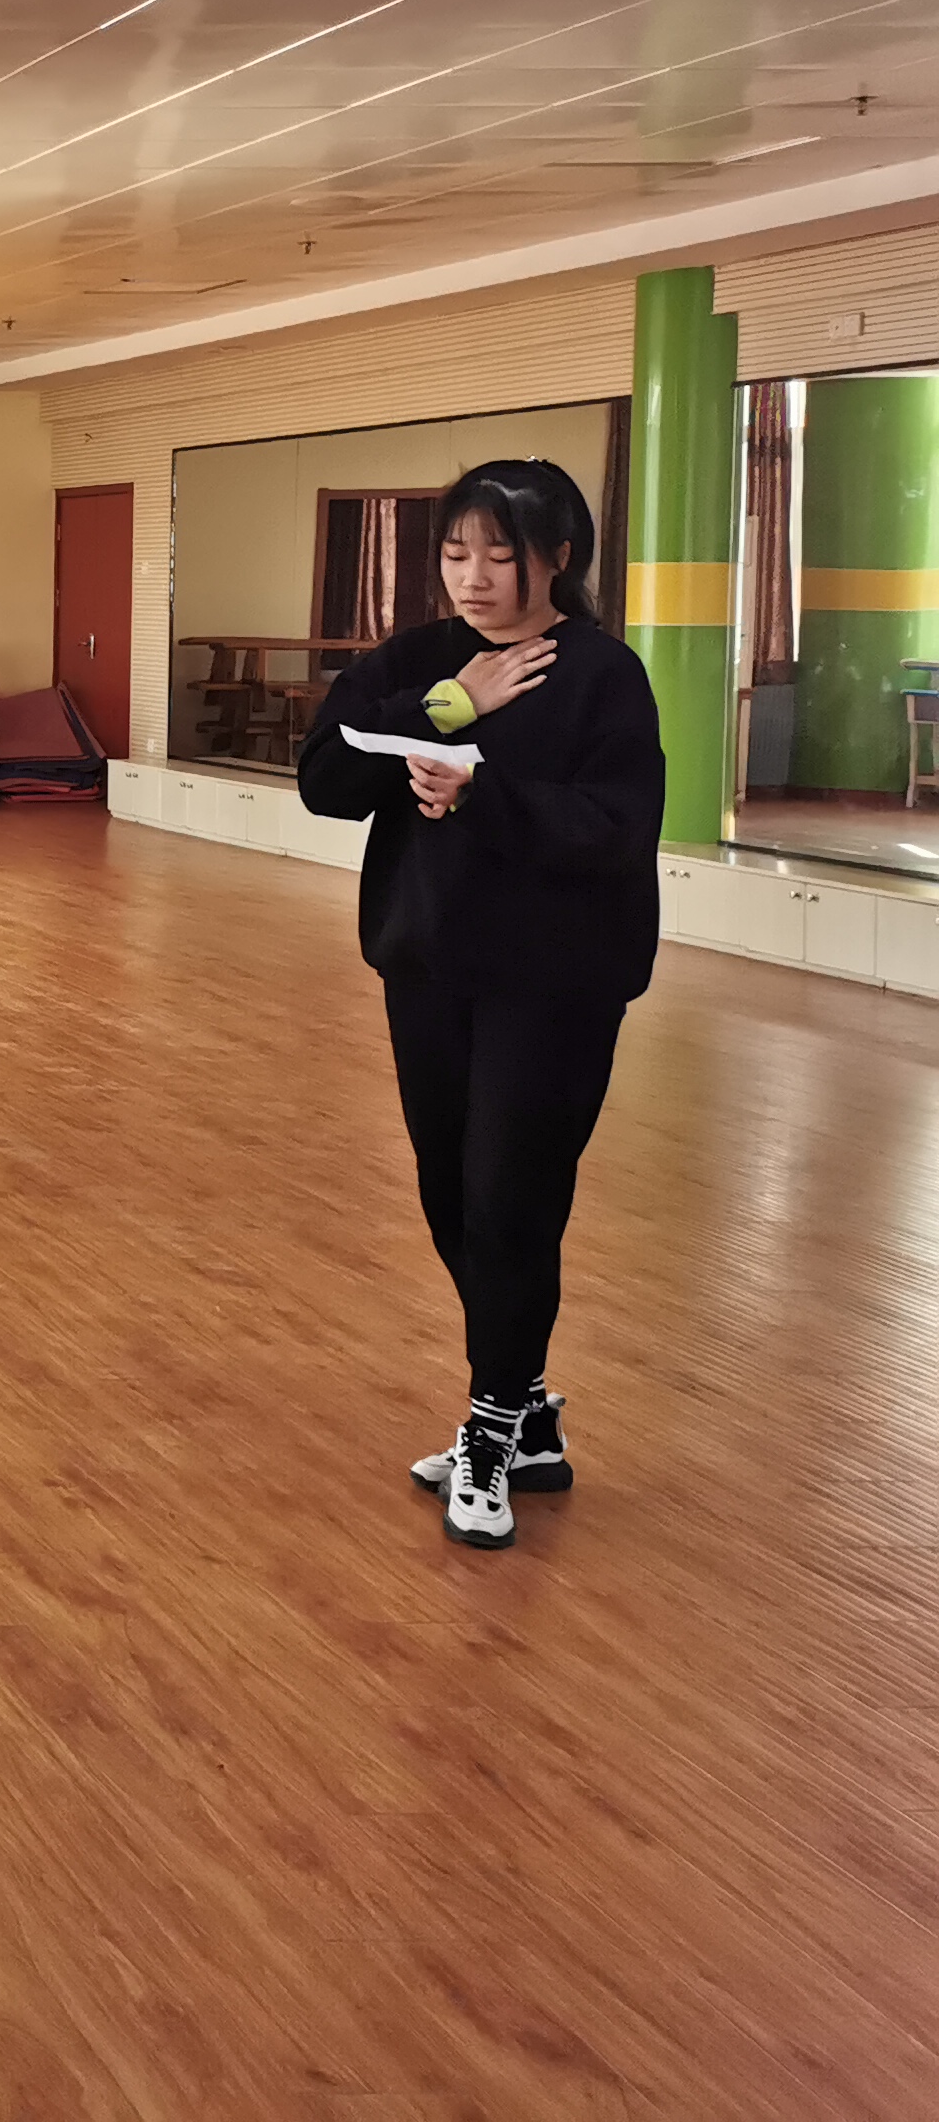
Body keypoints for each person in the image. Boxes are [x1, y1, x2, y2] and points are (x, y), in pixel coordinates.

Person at [298, 457, 662, 1552]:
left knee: (512, 1198)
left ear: (559, 558)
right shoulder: (416, 660)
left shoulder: (602, 675)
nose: (474, 576)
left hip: (555, 983)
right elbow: (326, 780)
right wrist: (450, 707)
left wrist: (481, 789)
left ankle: (493, 1428)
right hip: (429, 967)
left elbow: (616, 829)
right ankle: (532, 1412)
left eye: (501, 555)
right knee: (451, 1193)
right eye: (457, 553)